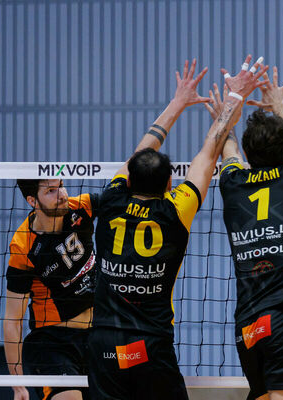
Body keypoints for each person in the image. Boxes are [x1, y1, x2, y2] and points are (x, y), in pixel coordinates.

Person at [86, 56, 268, 400]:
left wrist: (177, 102)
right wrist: (234, 98)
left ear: (128, 179)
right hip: (149, 345)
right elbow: (209, 152)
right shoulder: (175, 210)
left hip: (104, 344)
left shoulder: (110, 200)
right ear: (170, 184)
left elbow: (141, 153)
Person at [208, 67, 283, 400]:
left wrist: (228, 110)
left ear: (247, 153)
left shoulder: (232, 183)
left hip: (249, 327)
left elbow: (225, 147)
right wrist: (279, 105)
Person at [4, 179, 99, 400]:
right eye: (51, 191)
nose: (62, 194)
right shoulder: (23, 245)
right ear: (32, 201)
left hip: (99, 334)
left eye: (61, 185)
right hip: (54, 344)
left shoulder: (80, 207)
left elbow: (121, 192)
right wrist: (18, 385)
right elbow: (12, 320)